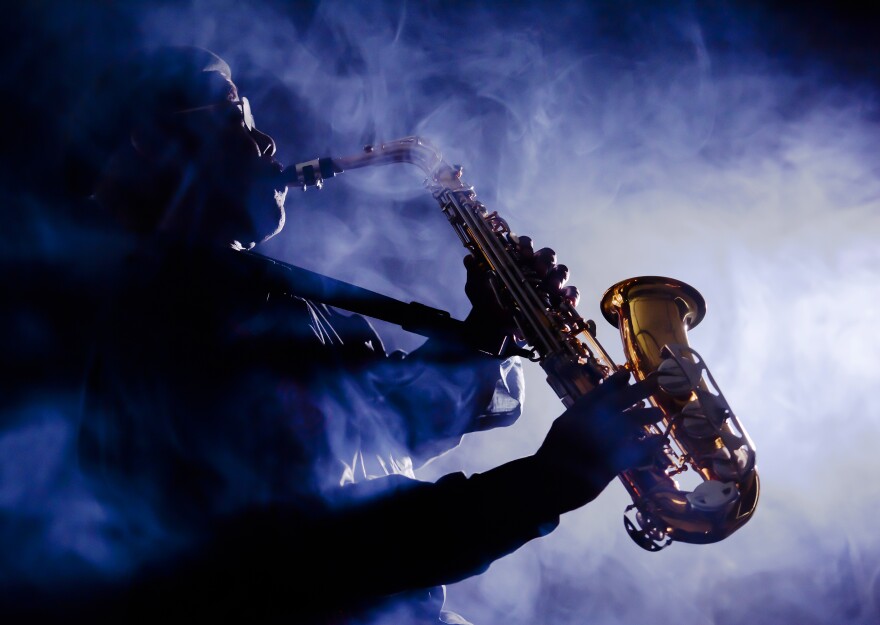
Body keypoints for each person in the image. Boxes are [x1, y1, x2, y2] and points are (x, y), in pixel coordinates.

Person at [39, 46, 662, 624]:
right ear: (158, 145)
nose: (266, 139)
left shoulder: (267, 298)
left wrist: (490, 329)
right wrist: (547, 481)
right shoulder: (160, 316)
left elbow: (388, 428)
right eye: (233, 117)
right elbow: (306, 551)